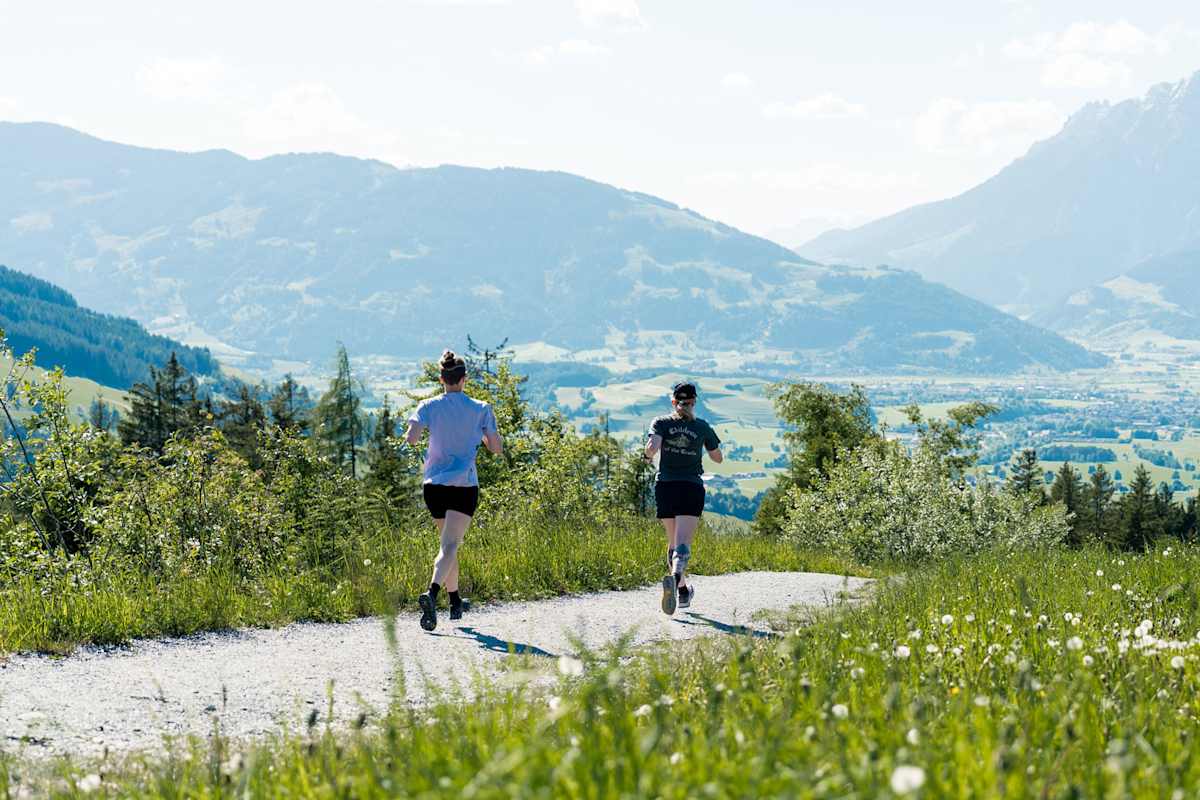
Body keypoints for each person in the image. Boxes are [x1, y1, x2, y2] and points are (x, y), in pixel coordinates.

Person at [405, 350, 503, 631]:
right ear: (464, 379)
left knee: (447, 545)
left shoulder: (428, 406)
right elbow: (496, 449)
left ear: (441, 379)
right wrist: (482, 437)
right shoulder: (481, 408)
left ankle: (455, 600)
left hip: (433, 486)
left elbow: (411, 439)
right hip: (463, 485)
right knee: (450, 546)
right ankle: (432, 594)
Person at [644, 381, 722, 615]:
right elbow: (718, 458)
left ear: (673, 402)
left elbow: (652, 447)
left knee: (673, 543)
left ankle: (683, 591)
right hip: (690, 486)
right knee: (682, 545)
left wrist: (647, 456)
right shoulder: (702, 426)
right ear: (694, 402)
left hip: (665, 486)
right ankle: (676, 578)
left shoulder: (661, 422)